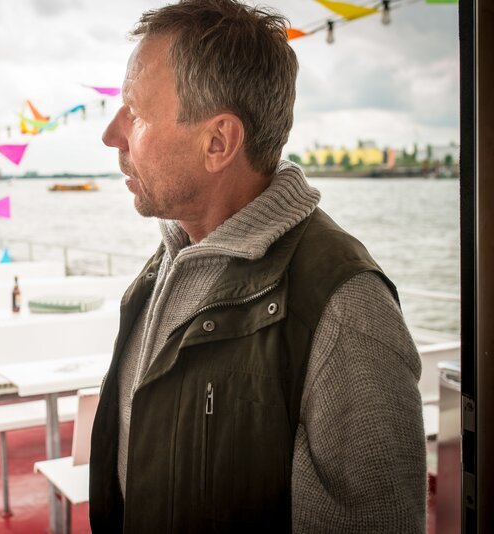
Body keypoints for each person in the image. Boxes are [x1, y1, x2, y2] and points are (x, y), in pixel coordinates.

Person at [89, 1, 426, 532]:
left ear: (218, 142)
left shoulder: (346, 311)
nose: (111, 133)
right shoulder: (169, 261)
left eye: (136, 112)